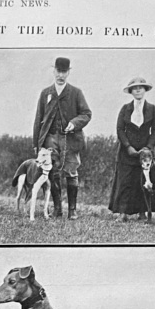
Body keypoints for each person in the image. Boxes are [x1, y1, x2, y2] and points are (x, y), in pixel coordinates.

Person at [32, 56, 92, 220]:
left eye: (64, 72)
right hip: (50, 139)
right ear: (53, 71)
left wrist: (74, 123)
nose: (61, 75)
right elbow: (38, 119)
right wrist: (36, 145)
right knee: (53, 173)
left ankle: (72, 210)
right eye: (58, 71)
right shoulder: (46, 93)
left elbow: (86, 114)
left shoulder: (76, 92)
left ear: (68, 73)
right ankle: (58, 208)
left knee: (71, 171)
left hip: (71, 140)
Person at [108, 77, 155, 221]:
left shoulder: (152, 109)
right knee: (125, 181)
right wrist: (128, 146)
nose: (138, 90)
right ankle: (123, 212)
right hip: (126, 153)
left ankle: (143, 212)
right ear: (131, 91)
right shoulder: (125, 109)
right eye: (135, 88)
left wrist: (148, 148)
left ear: (145, 90)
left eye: (141, 87)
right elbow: (120, 129)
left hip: (146, 154)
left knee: (144, 180)